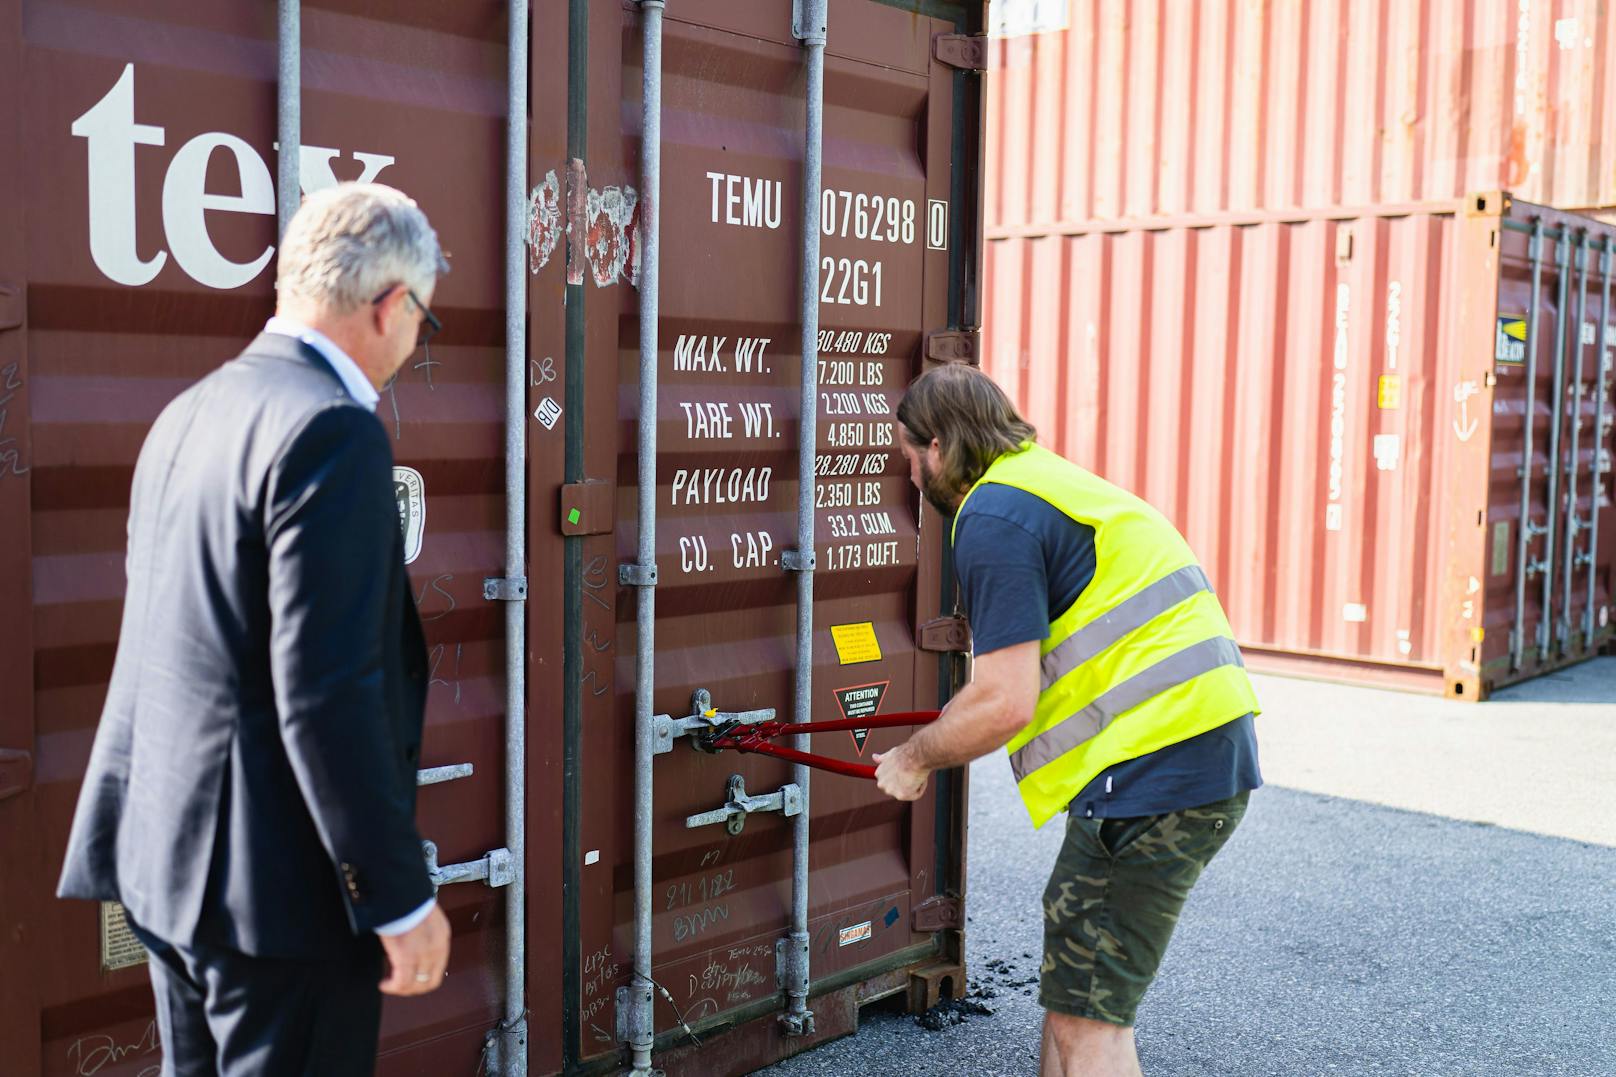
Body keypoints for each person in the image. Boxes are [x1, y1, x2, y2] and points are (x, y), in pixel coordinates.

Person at [58, 183, 452, 1076]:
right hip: (279, 905)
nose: (416, 340)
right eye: (425, 319)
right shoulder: (335, 432)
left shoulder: (186, 414)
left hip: (168, 870)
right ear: (392, 305)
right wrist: (395, 898)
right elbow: (326, 693)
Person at [873, 364, 1262, 1077]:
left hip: (1159, 770)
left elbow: (1003, 700)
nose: (908, 473)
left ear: (938, 446)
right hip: (1168, 761)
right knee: (1074, 998)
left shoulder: (991, 515)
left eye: (907, 453)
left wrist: (915, 757)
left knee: (1091, 1026)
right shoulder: (1038, 481)